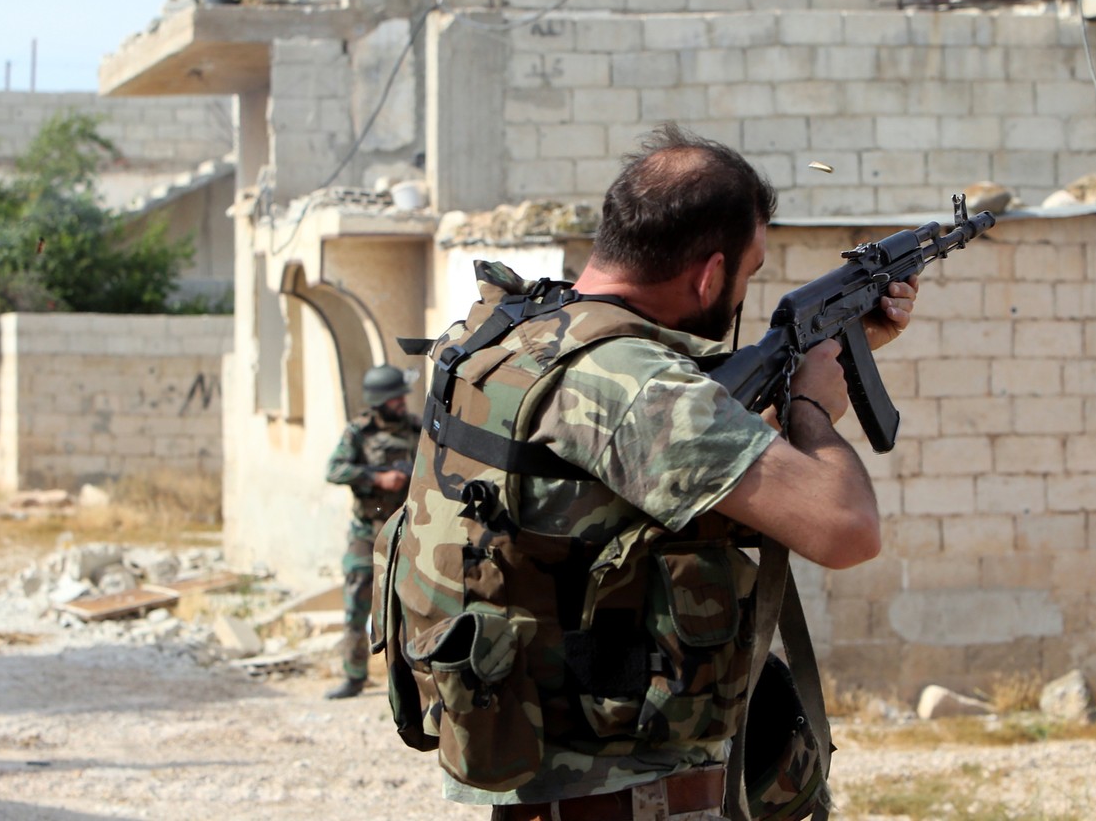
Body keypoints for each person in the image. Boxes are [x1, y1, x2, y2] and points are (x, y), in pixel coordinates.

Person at [379, 126, 917, 820]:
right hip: (634, 796)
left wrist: (844, 343)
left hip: (551, 775)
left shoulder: (505, 335)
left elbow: (667, 468)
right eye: (748, 273)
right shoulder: (633, 387)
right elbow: (846, 531)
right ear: (709, 274)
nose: (744, 291)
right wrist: (814, 407)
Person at [323, 363, 422, 700]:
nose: (402, 402)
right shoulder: (359, 432)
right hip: (368, 530)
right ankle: (354, 676)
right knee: (357, 599)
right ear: (379, 401)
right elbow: (334, 470)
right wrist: (377, 478)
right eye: (395, 398)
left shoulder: (417, 429)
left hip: (408, 529)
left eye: (402, 396)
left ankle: (413, 678)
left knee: (412, 603)